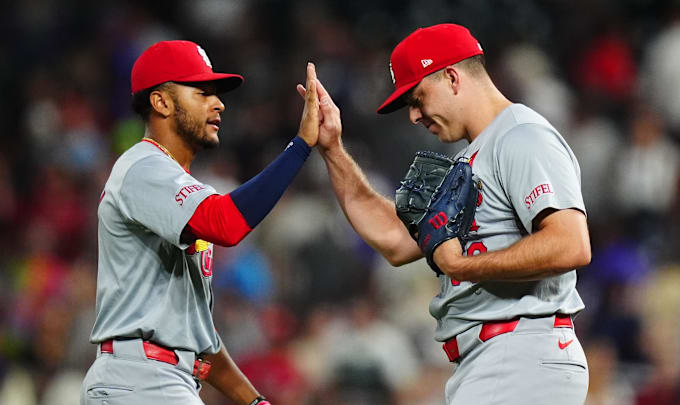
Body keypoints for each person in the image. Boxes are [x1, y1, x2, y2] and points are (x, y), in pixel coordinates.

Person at [300, 23, 591, 404]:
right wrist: (333, 150)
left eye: (418, 98)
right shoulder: (471, 156)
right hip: (493, 359)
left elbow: (570, 245)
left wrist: (463, 266)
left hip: (521, 352)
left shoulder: (521, 136)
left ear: (452, 77)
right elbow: (396, 240)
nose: (414, 116)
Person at [81, 40, 321, 405]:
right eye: (201, 92)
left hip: (161, 378)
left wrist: (255, 402)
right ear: (161, 102)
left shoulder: (177, 186)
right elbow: (225, 224)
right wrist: (300, 145)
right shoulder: (143, 167)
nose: (218, 103)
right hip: (139, 377)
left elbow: (199, 342)